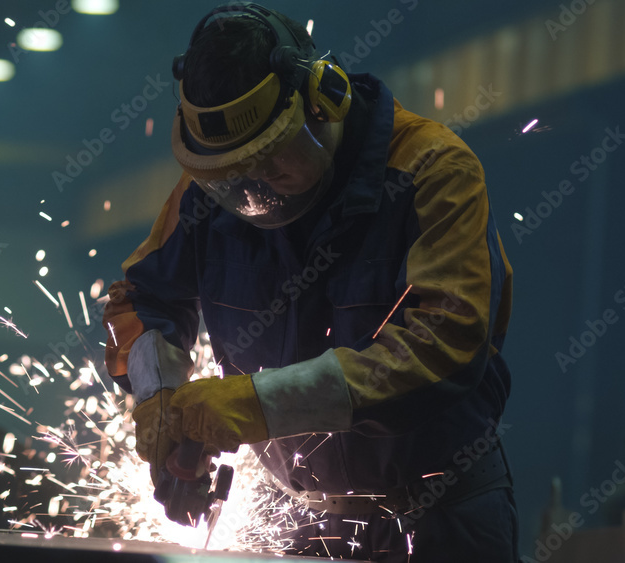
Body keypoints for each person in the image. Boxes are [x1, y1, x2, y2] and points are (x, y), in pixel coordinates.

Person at [102, 3, 518, 561]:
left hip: (441, 519)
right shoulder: (212, 188)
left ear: (325, 101)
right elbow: (143, 297)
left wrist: (257, 404)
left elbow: (443, 346)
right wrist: (160, 399)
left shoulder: (432, 171)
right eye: (230, 178)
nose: (251, 192)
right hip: (304, 520)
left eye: (271, 162)